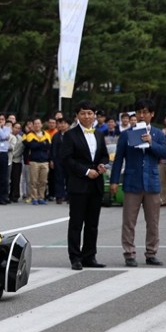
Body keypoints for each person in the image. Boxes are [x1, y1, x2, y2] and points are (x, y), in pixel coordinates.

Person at [110, 98, 166, 267]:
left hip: (151, 182)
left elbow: (164, 152)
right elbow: (119, 158)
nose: (142, 115)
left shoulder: (157, 134)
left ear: (152, 114)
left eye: (145, 112)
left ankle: (151, 253)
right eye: (139, 112)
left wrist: (151, 142)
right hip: (132, 182)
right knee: (129, 221)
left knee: (153, 221)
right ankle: (129, 253)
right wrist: (114, 181)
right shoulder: (127, 134)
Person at [61, 101, 110, 270]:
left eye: (90, 113)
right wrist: (86, 171)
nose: (87, 116)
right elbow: (67, 159)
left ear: (94, 115)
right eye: (83, 113)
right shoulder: (70, 135)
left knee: (92, 223)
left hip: (96, 183)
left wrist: (102, 166)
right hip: (79, 184)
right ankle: (75, 257)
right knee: (76, 223)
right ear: (77, 116)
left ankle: (90, 256)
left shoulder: (99, 134)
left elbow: (104, 155)